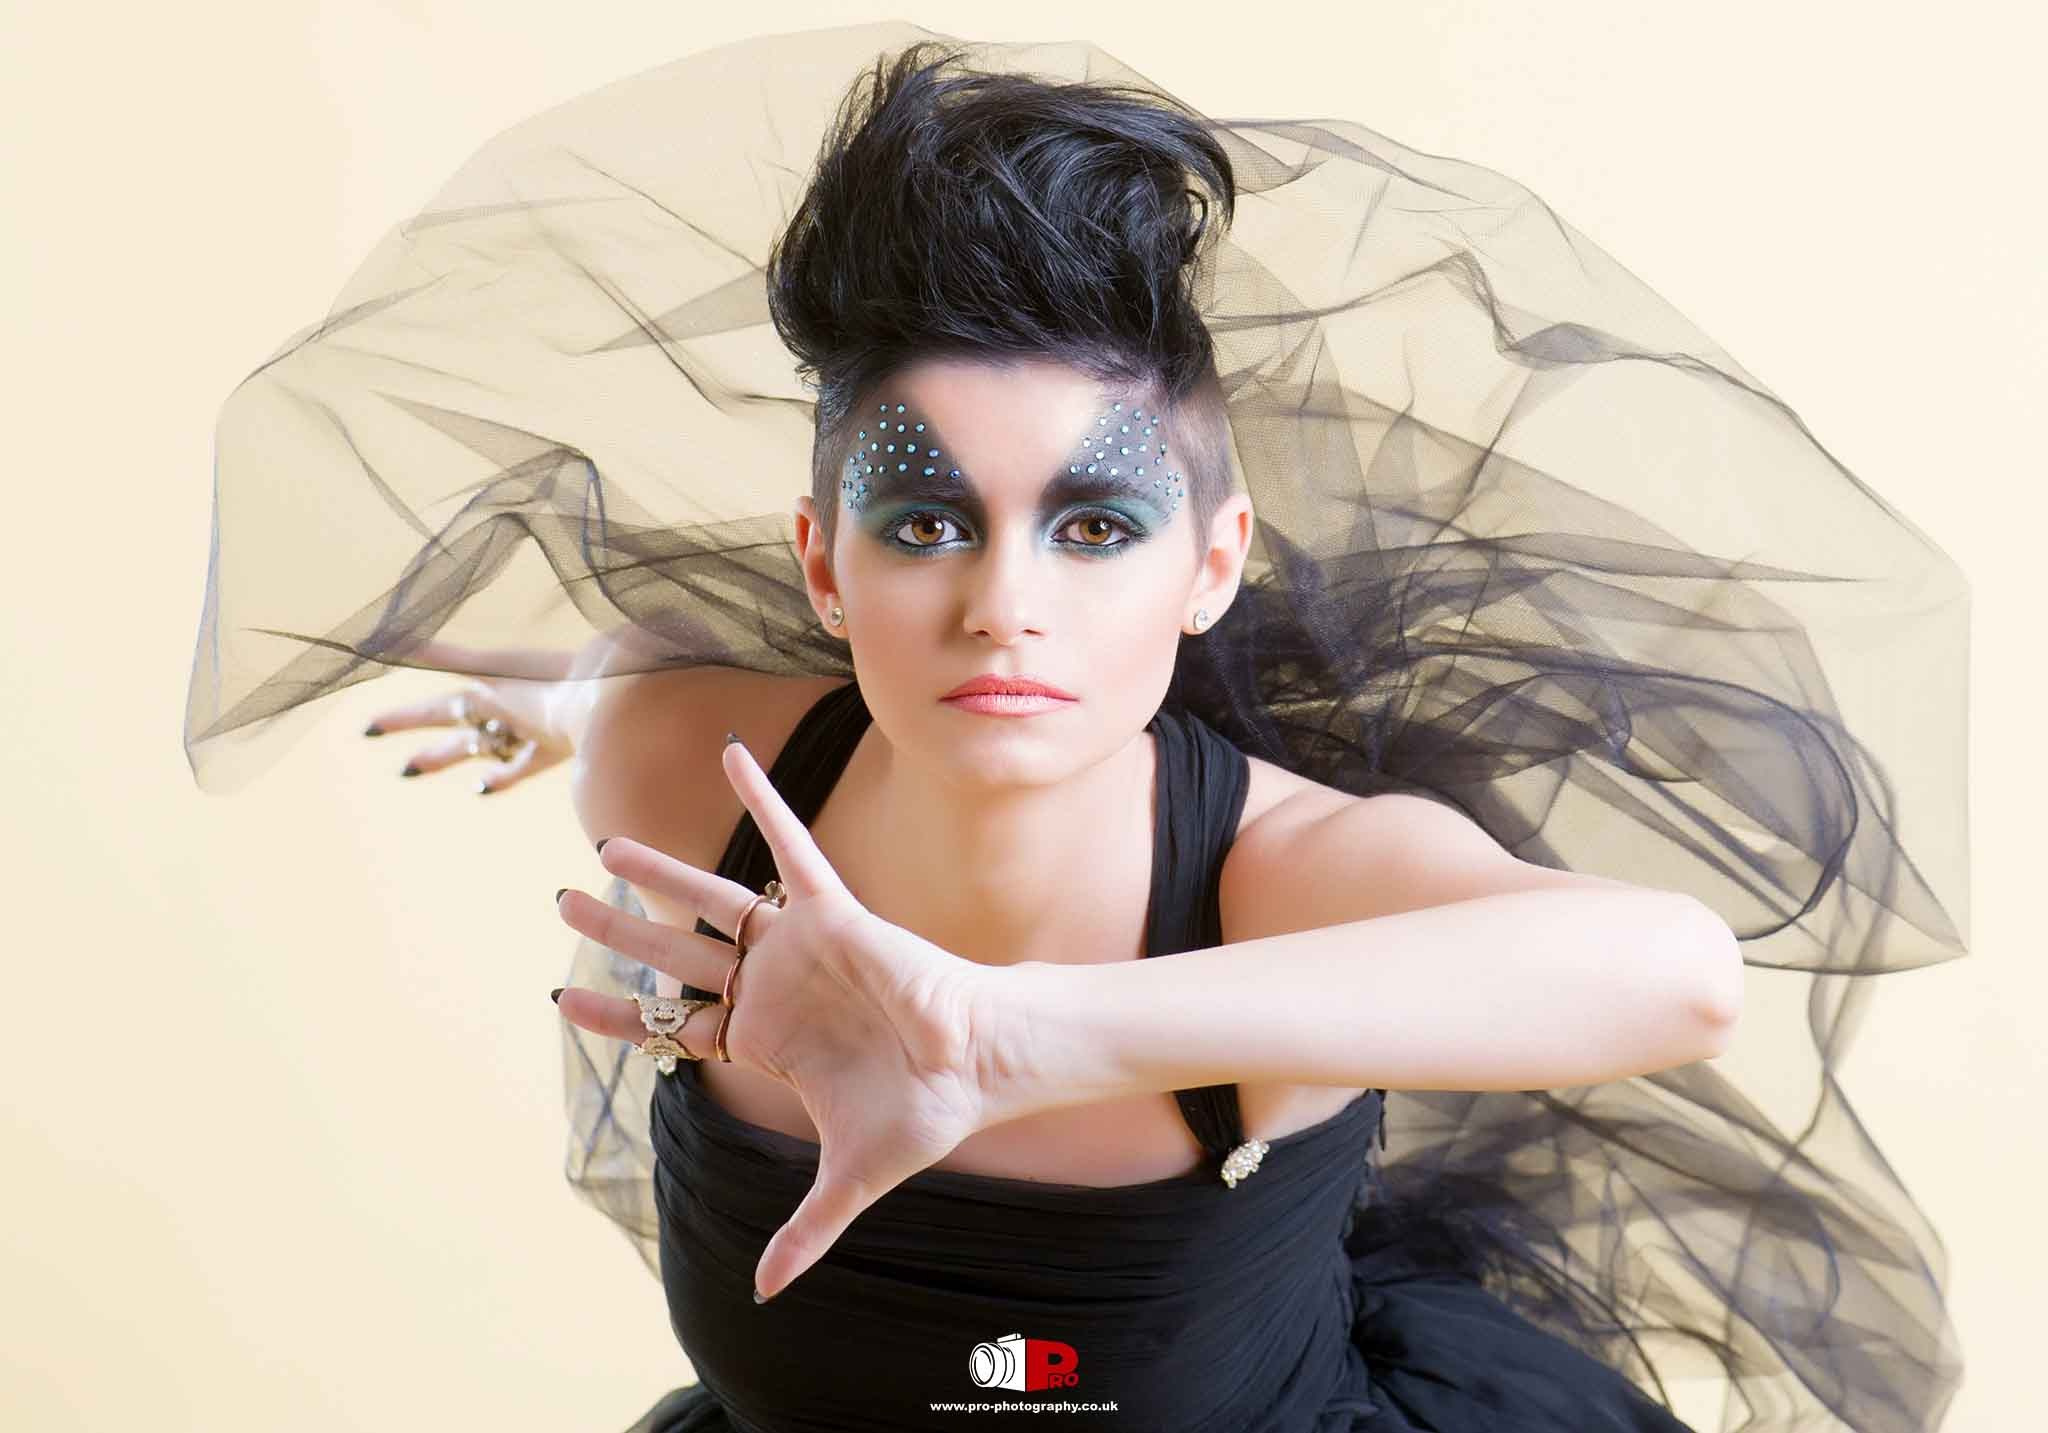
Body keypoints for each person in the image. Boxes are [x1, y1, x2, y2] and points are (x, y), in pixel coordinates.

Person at [187, 23, 1971, 1433]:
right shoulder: (678, 772)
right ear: (824, 561)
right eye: (926, 520)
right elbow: (621, 665)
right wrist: (553, 691)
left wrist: (1013, 1036)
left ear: (1214, 564)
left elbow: (1680, 972)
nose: (1003, 604)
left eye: (1094, 526)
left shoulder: (1286, 880)